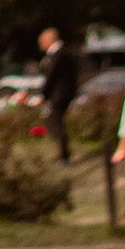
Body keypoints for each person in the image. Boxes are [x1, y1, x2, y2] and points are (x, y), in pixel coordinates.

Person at [37, 26, 81, 162]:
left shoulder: (58, 55)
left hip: (59, 94)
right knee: (56, 122)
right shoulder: (65, 53)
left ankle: (64, 155)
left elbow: (51, 77)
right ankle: (63, 153)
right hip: (64, 93)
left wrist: (42, 95)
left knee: (55, 123)